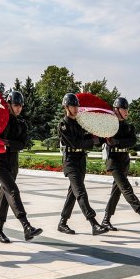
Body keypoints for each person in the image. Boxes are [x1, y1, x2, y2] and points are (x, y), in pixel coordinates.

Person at [101, 97, 140, 231]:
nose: (127, 111)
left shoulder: (128, 127)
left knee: (116, 192)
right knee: (126, 188)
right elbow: (100, 140)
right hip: (113, 161)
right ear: (116, 110)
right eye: (124, 109)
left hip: (124, 160)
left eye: (127, 109)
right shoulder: (108, 126)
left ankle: (106, 220)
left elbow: (132, 141)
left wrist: (116, 141)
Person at [0, 91, 43, 243]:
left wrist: (7, 143)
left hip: (13, 164)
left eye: (20, 106)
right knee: (13, 190)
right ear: (8, 104)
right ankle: (26, 225)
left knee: (5, 195)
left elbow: (22, 144)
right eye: (16, 105)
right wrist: (5, 143)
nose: (19, 108)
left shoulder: (22, 124)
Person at [57, 93, 108, 236]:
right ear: (66, 107)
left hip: (80, 160)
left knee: (73, 193)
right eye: (72, 106)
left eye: (76, 105)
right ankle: (93, 223)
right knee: (80, 192)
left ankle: (62, 222)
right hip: (70, 161)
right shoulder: (63, 125)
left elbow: (86, 138)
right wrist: (93, 141)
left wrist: (102, 138)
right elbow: (76, 142)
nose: (75, 108)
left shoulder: (79, 123)